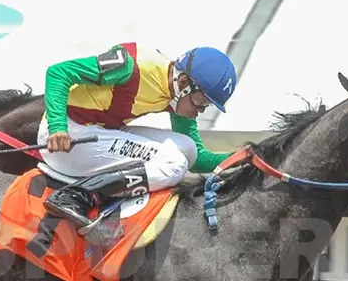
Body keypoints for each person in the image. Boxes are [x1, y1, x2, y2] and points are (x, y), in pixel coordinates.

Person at [38, 42, 237, 233]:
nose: (201, 110)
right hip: (66, 141)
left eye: (207, 105)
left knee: (188, 149)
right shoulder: (130, 66)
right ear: (184, 82)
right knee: (174, 163)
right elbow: (58, 72)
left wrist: (242, 157)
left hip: (98, 133)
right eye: (201, 101)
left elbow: (198, 159)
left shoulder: (179, 97)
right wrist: (57, 127)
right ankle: (75, 196)